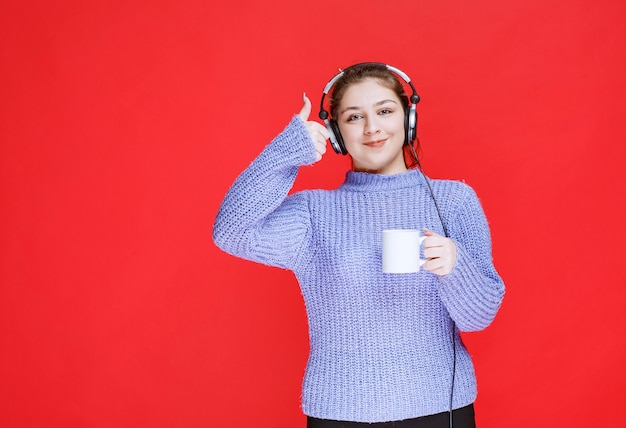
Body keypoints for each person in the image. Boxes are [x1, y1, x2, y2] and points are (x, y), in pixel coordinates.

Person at [213, 62, 505, 427]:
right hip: (340, 412)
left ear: (408, 117)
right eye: (354, 118)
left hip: (440, 410)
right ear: (336, 133)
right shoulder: (313, 212)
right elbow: (231, 231)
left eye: (384, 111)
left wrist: (455, 268)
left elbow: (479, 318)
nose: (372, 128)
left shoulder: (454, 201)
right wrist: (286, 151)